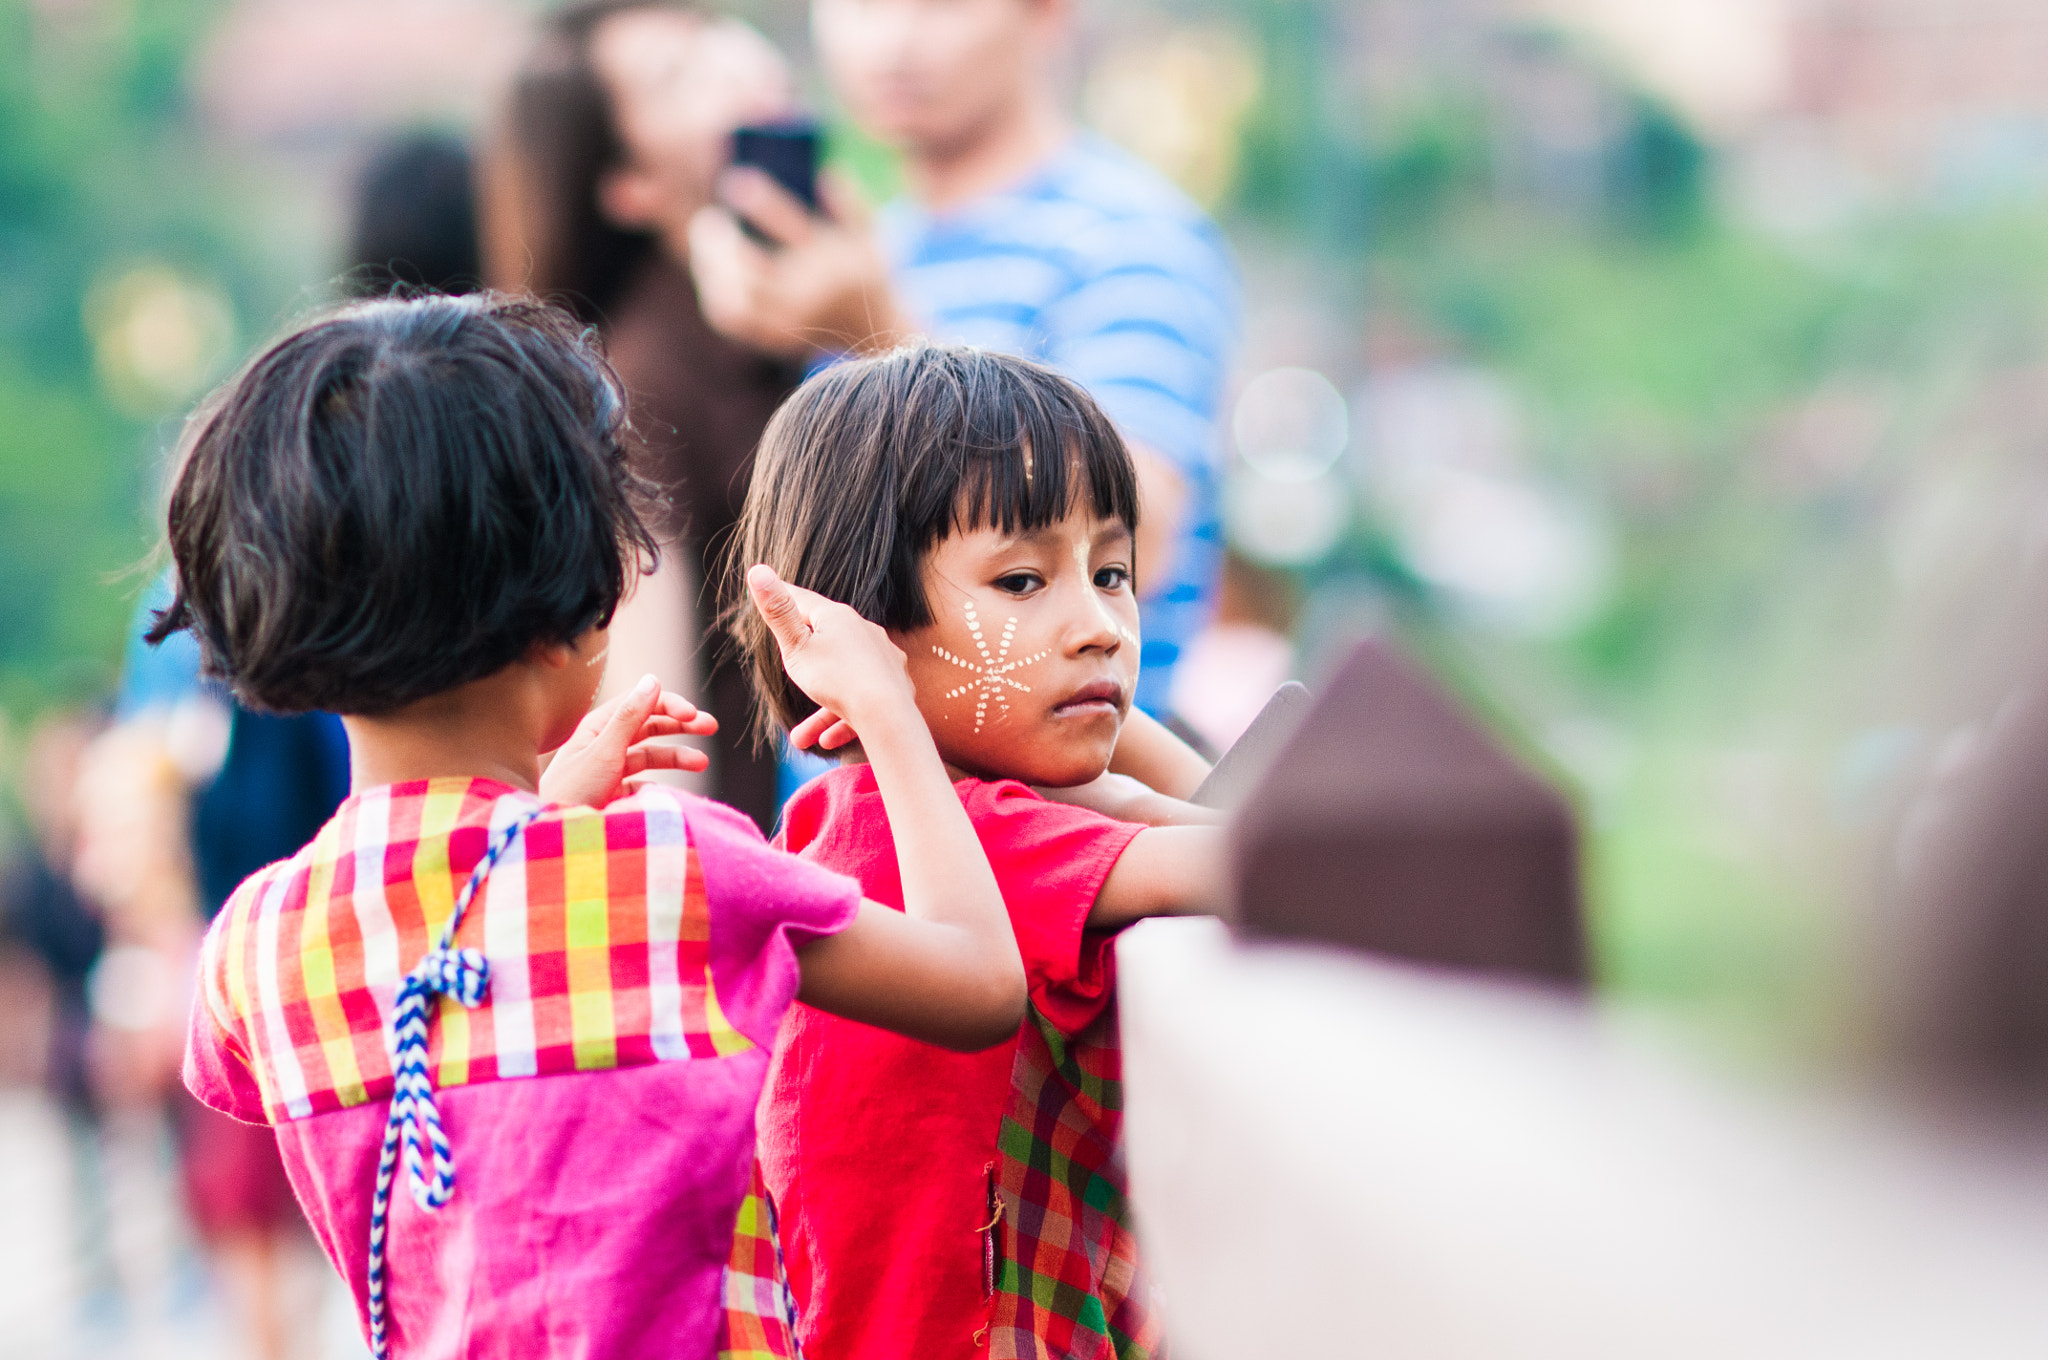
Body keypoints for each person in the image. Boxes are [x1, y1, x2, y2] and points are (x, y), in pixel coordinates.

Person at [151, 294, 1025, 1359]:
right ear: (574, 607)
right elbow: (978, 983)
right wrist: (890, 712)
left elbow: (430, 995)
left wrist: (538, 822)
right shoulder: (668, 872)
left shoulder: (253, 944)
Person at [730, 344, 1227, 1360]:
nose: (1098, 627)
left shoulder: (850, 817)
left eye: (1113, 573)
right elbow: (1268, 850)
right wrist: (1111, 762)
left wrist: (1086, 719)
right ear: (864, 630)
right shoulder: (979, 833)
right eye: (1020, 579)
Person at [691, 0, 1241, 717]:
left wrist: (880, 331)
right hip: (856, 805)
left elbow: (1137, 535)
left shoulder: (1130, 241)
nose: (892, 43)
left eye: (940, 6)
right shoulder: (879, 247)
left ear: (1044, 15)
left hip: (1051, 809)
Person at [485, 0, 808, 830]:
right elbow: (655, 720)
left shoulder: (814, 299)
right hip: (774, 884)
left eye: (707, 41)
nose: (733, 67)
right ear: (630, 187)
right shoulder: (640, 385)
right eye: (679, 78)